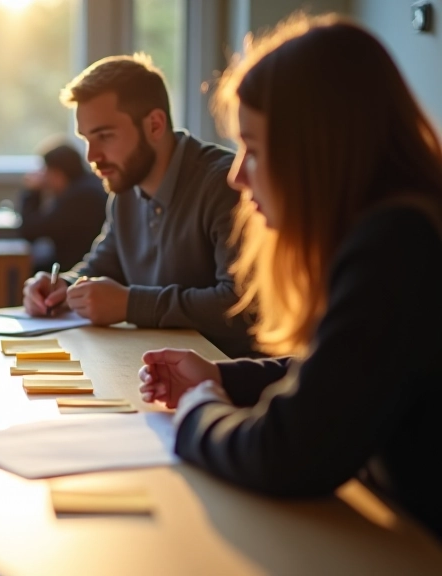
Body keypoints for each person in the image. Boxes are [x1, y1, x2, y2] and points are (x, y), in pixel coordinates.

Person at [138, 15, 442, 539]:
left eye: (253, 147)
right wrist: (223, 378)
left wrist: (196, 412)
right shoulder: (399, 227)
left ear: (317, 147)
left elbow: (289, 453)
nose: (236, 175)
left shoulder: (397, 244)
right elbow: (335, 373)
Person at [22, 54, 256, 359]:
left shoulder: (226, 185)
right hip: (150, 367)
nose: (92, 156)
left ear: (155, 125)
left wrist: (130, 305)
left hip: (225, 381)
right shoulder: (125, 190)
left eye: (104, 136)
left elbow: (241, 305)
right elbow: (102, 268)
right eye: (86, 139)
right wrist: (62, 287)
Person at [17, 138, 107, 272]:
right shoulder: (88, 185)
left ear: (58, 173)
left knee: (26, 271)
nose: (45, 178)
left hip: (76, 270)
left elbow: (30, 231)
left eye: (47, 171)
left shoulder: (80, 197)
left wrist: (32, 192)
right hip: (80, 264)